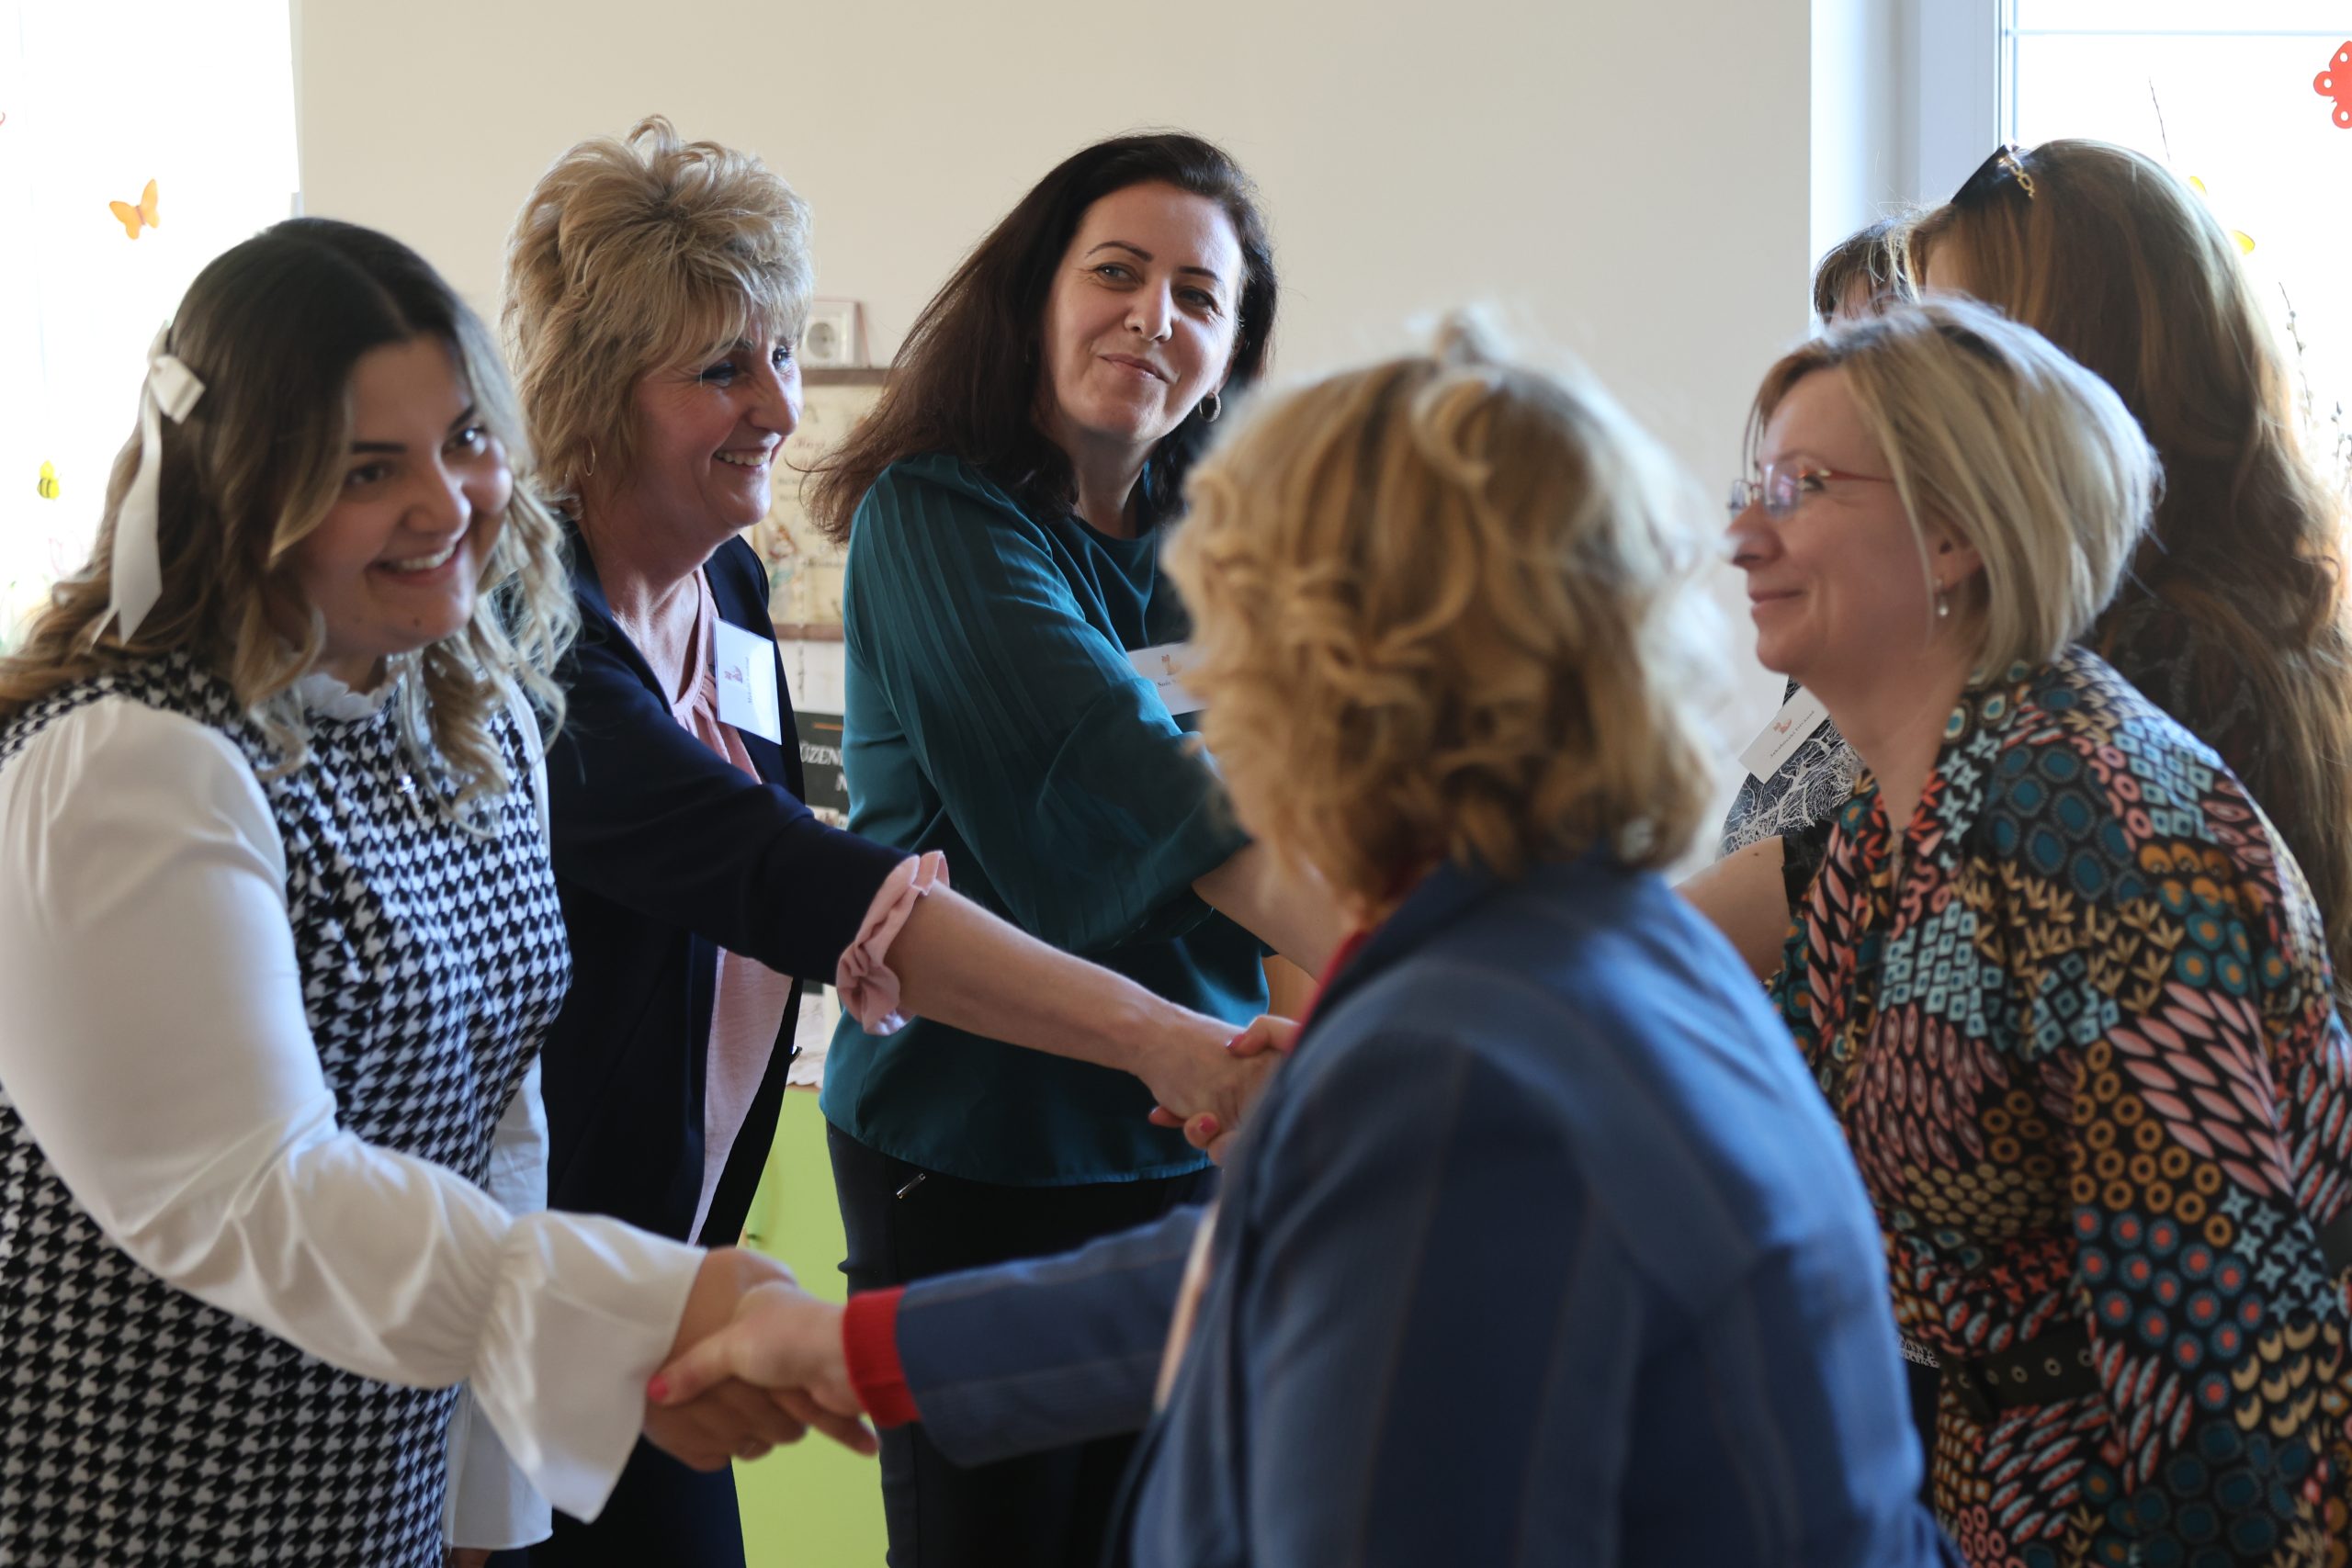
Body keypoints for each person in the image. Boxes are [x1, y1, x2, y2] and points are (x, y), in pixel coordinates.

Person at [660, 316, 1959, 1568]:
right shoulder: (1592, 948)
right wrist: (860, 1351)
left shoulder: (1460, 1066)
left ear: (1337, 673)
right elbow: (1275, 1264)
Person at [0, 220, 863, 1568]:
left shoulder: (475, 712)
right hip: (146, 1481)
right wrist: (650, 1307)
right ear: (243, 486)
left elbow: (497, 1125)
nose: (447, 503)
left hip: (378, 1480)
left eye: (465, 440)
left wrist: (485, 1502)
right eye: (368, 469)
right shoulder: (131, 759)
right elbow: (250, 1191)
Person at [496, 119, 1273, 1565]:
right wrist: (1168, 1038)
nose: (777, 404)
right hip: (516, 1263)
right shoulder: (527, 632)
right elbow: (778, 870)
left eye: (783, 352)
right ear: (597, 387)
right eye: (720, 369)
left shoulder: (728, 588)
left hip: (665, 1251)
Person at [1731, 298, 2352, 1565]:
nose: (1744, 536)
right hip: (1995, 1487)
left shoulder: (2086, 814)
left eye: (1802, 488)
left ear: (1954, 532)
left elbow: (2220, 1378)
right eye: (1754, 489)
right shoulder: (1900, 812)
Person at [799, 131, 1339, 1566]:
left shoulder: (1226, 543)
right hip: (979, 1145)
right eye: (1117, 271)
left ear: (1230, 354)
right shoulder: (938, 515)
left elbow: (1306, 809)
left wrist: (1322, 1043)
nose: (1153, 316)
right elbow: (1124, 779)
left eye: (1199, 297)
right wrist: (1429, 983)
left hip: (1197, 1126)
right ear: (1037, 291)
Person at [1690, 141, 2352, 999]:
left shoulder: (2141, 678)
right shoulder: (2146, 632)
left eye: (1944, 349)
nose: (1906, 397)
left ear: (2063, 378)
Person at [1713, 215, 1909, 874]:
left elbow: (1816, 873)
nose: (1742, 543)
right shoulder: (1837, 628)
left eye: (1875, 341)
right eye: (1834, 338)